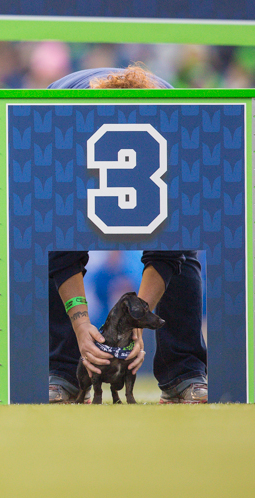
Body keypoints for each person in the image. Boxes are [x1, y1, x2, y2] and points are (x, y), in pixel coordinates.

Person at [47, 66, 208, 404]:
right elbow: (59, 248)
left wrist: (138, 319)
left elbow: (168, 249)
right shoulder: (62, 131)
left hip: (155, 148)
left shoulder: (173, 129)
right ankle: (63, 373)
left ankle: (183, 372)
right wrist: (80, 326)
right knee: (42, 244)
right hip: (67, 134)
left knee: (184, 249)